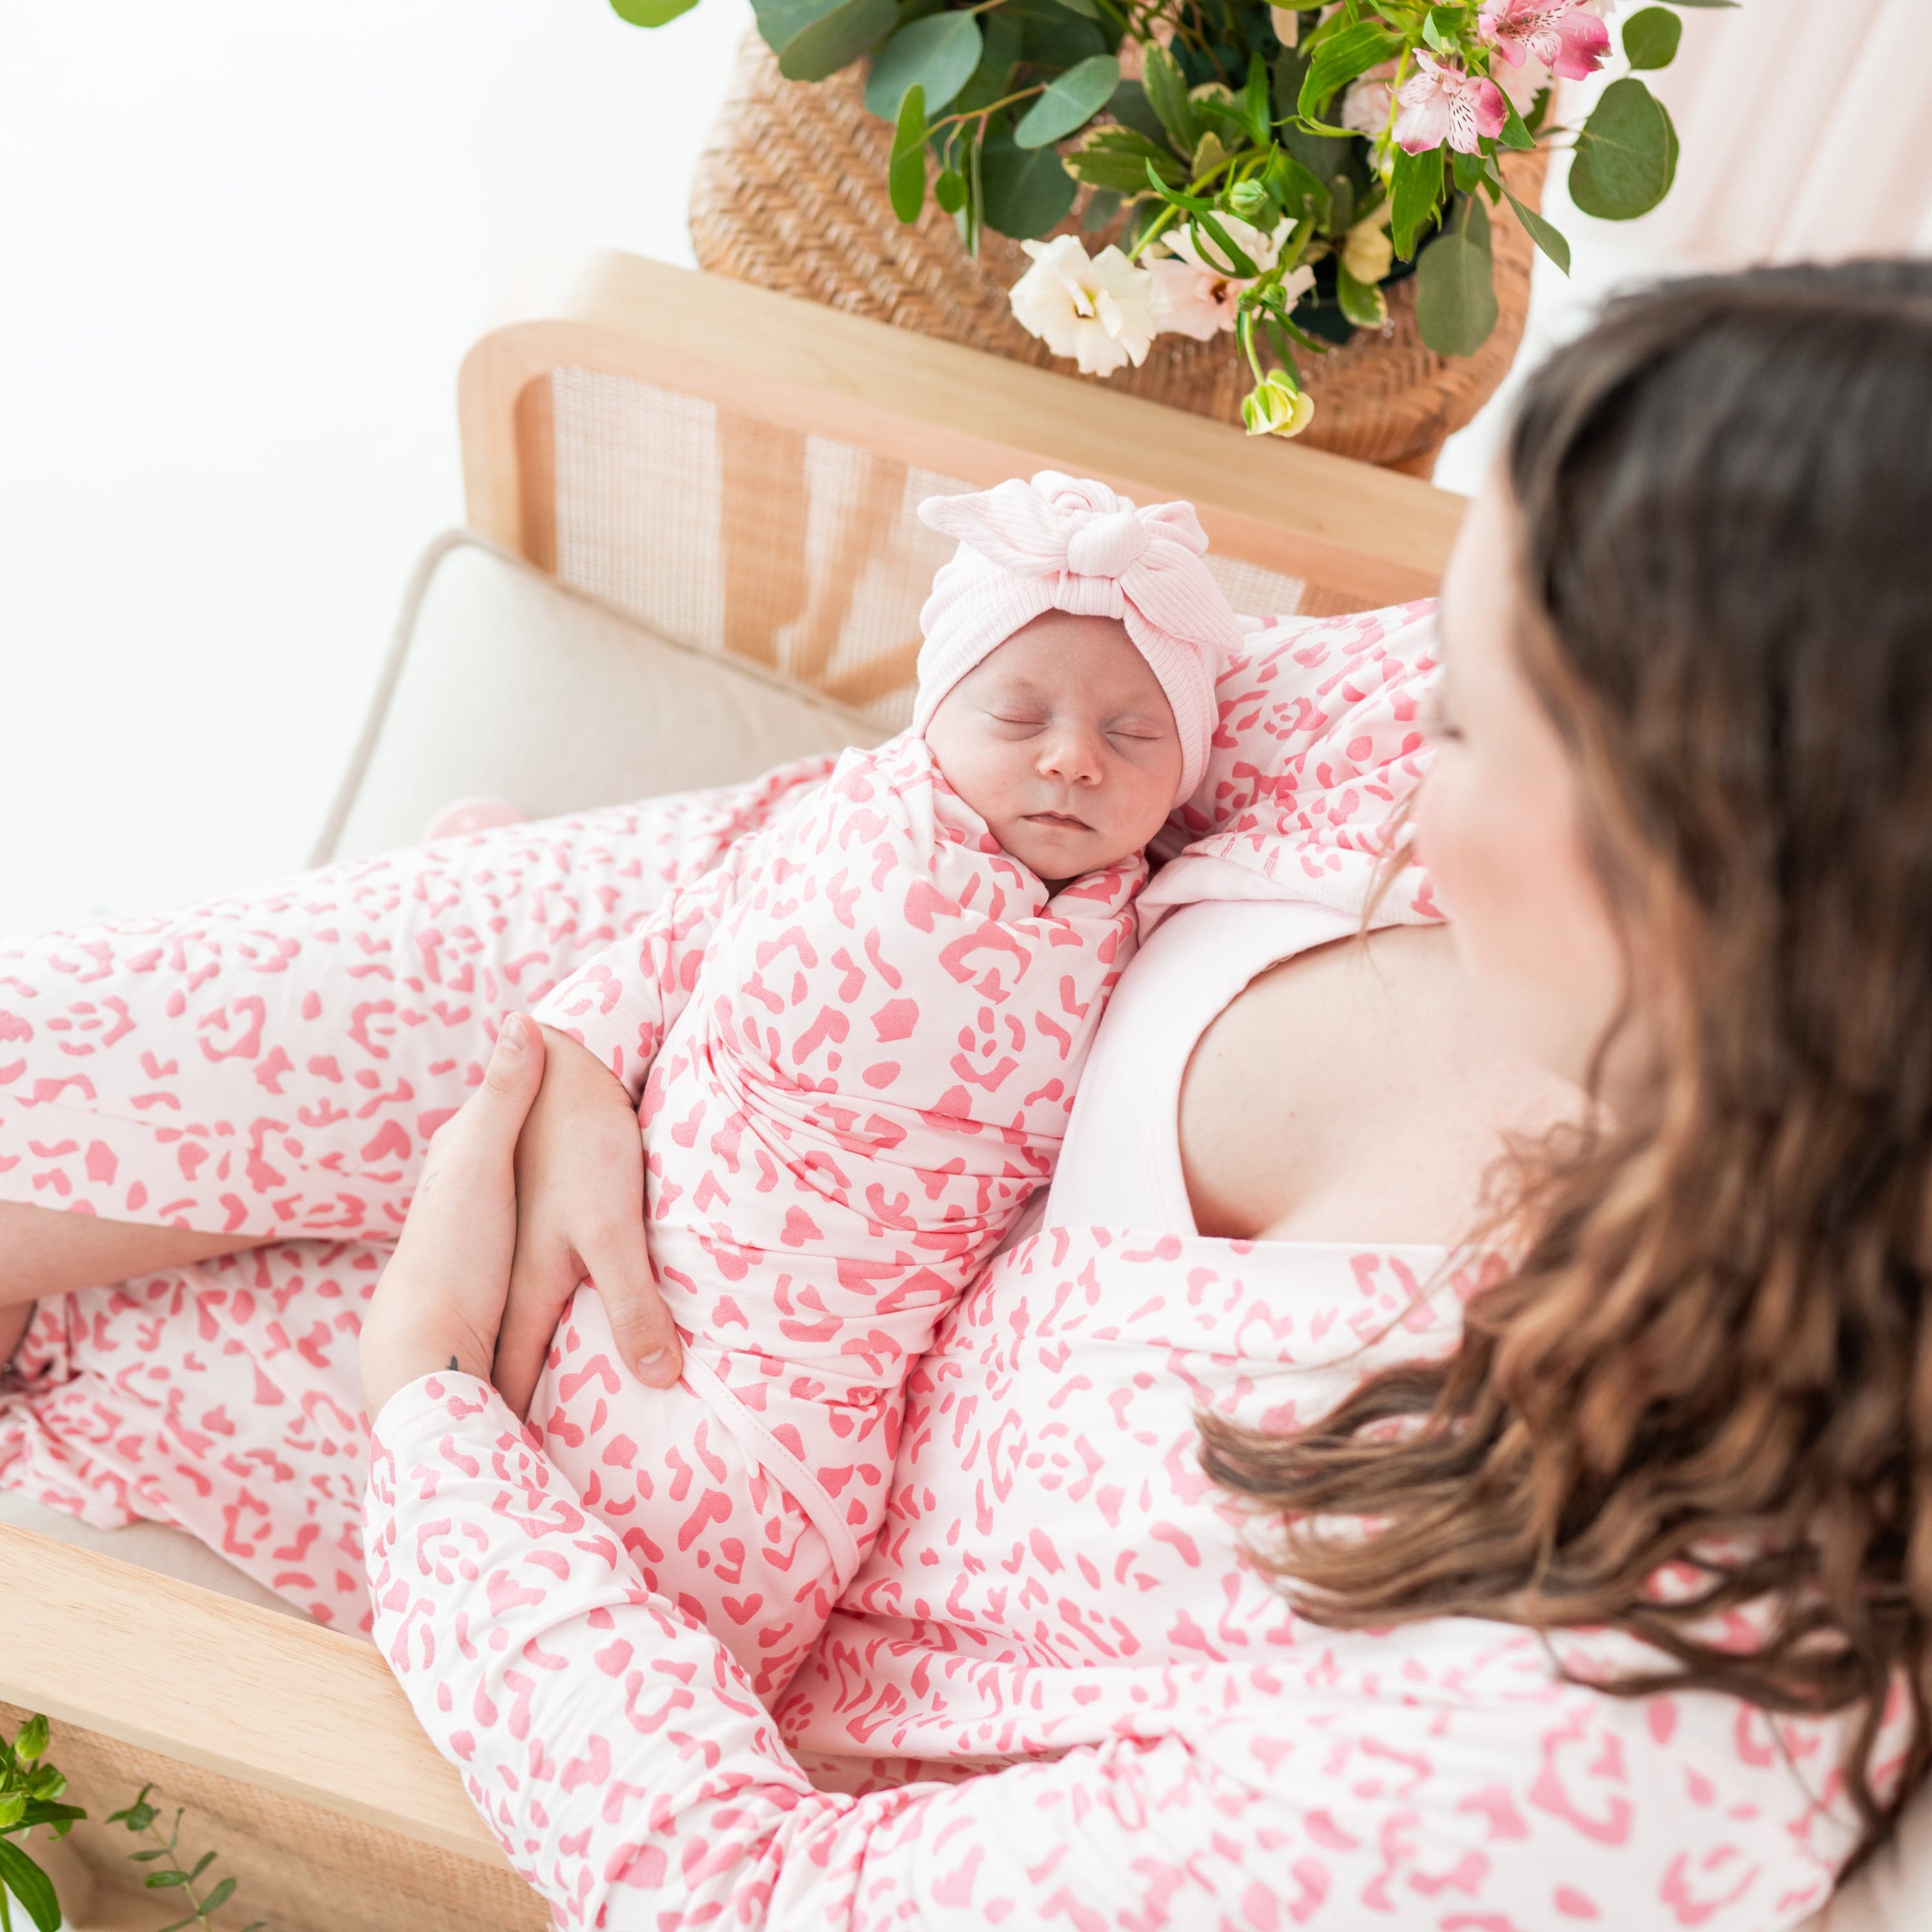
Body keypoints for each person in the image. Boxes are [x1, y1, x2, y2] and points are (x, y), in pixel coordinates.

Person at [5, 260, 1930, 1927]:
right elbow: (1081, 743)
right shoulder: (1611, 709)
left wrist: (427, 1417)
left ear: (1715, 876)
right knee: (39, 1064)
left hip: (714, 1489)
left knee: (77, 1391)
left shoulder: (1639, 1709)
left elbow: (764, 1900)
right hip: (782, 960)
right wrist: (620, 1007)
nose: (1409, 721)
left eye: (1465, 715)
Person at [513, 471, 1237, 1694]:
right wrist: (577, 1039)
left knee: (678, 1636)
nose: (1071, 761)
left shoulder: (1149, 937)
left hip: (807, 1410)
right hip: (649, 1268)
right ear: (933, 719)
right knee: (517, 1503)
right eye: (1018, 718)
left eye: (1133, 736)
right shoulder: (850, 816)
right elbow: (687, 938)